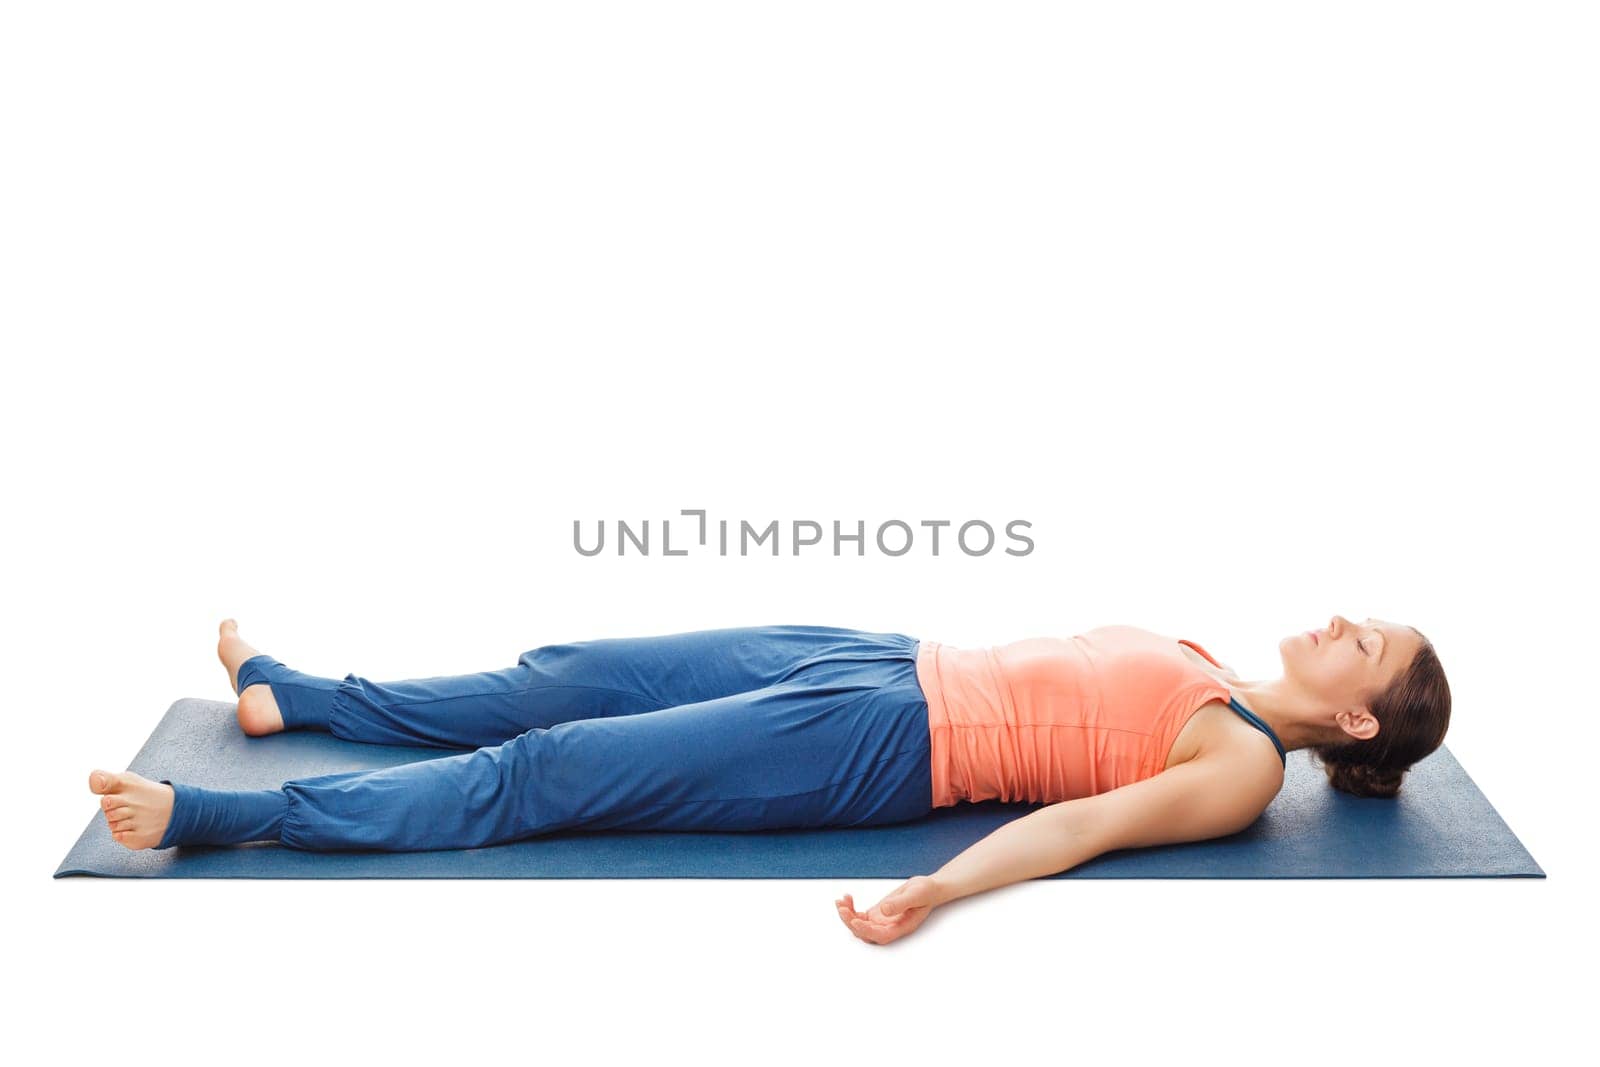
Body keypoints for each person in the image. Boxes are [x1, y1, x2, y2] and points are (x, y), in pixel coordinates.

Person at [89, 616, 1450, 944]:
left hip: (885, 749)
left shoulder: (1239, 767)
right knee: (573, 674)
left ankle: (225, 819)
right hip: (874, 657)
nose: (1342, 616)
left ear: (1351, 711)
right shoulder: (1215, 665)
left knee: (551, 770)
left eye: (1366, 639)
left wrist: (939, 888)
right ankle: (304, 697)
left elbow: (1083, 825)